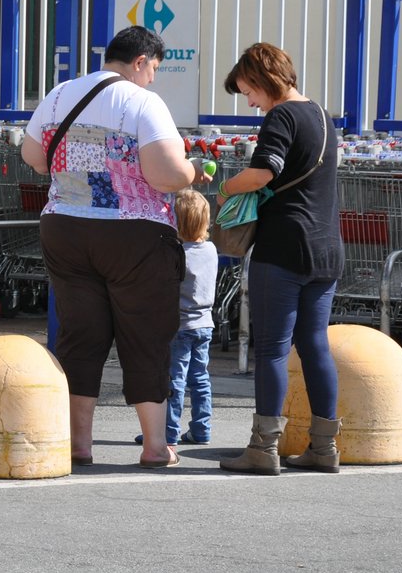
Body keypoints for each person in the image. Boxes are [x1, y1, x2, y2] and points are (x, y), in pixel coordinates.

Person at [20, 25, 204, 468]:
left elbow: (33, 156)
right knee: (145, 336)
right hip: (132, 235)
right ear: (140, 61)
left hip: (64, 228)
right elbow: (164, 174)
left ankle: (77, 443)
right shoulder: (142, 103)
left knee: (80, 336)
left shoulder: (60, 94)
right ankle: (155, 446)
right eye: (154, 68)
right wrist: (192, 171)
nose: (154, 78)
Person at [217, 42, 342, 475]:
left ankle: (262, 448)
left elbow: (263, 171)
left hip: (284, 247)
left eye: (249, 90)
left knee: (271, 349)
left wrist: (226, 188)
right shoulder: (321, 115)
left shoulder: (282, 115)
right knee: (315, 346)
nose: (250, 101)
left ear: (263, 78)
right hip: (326, 249)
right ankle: (324, 449)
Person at [164, 189, 218, 446]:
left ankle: (168, 431)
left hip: (179, 325)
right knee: (200, 378)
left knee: (174, 380)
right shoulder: (210, 250)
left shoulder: (175, 253)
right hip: (205, 324)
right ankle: (201, 429)